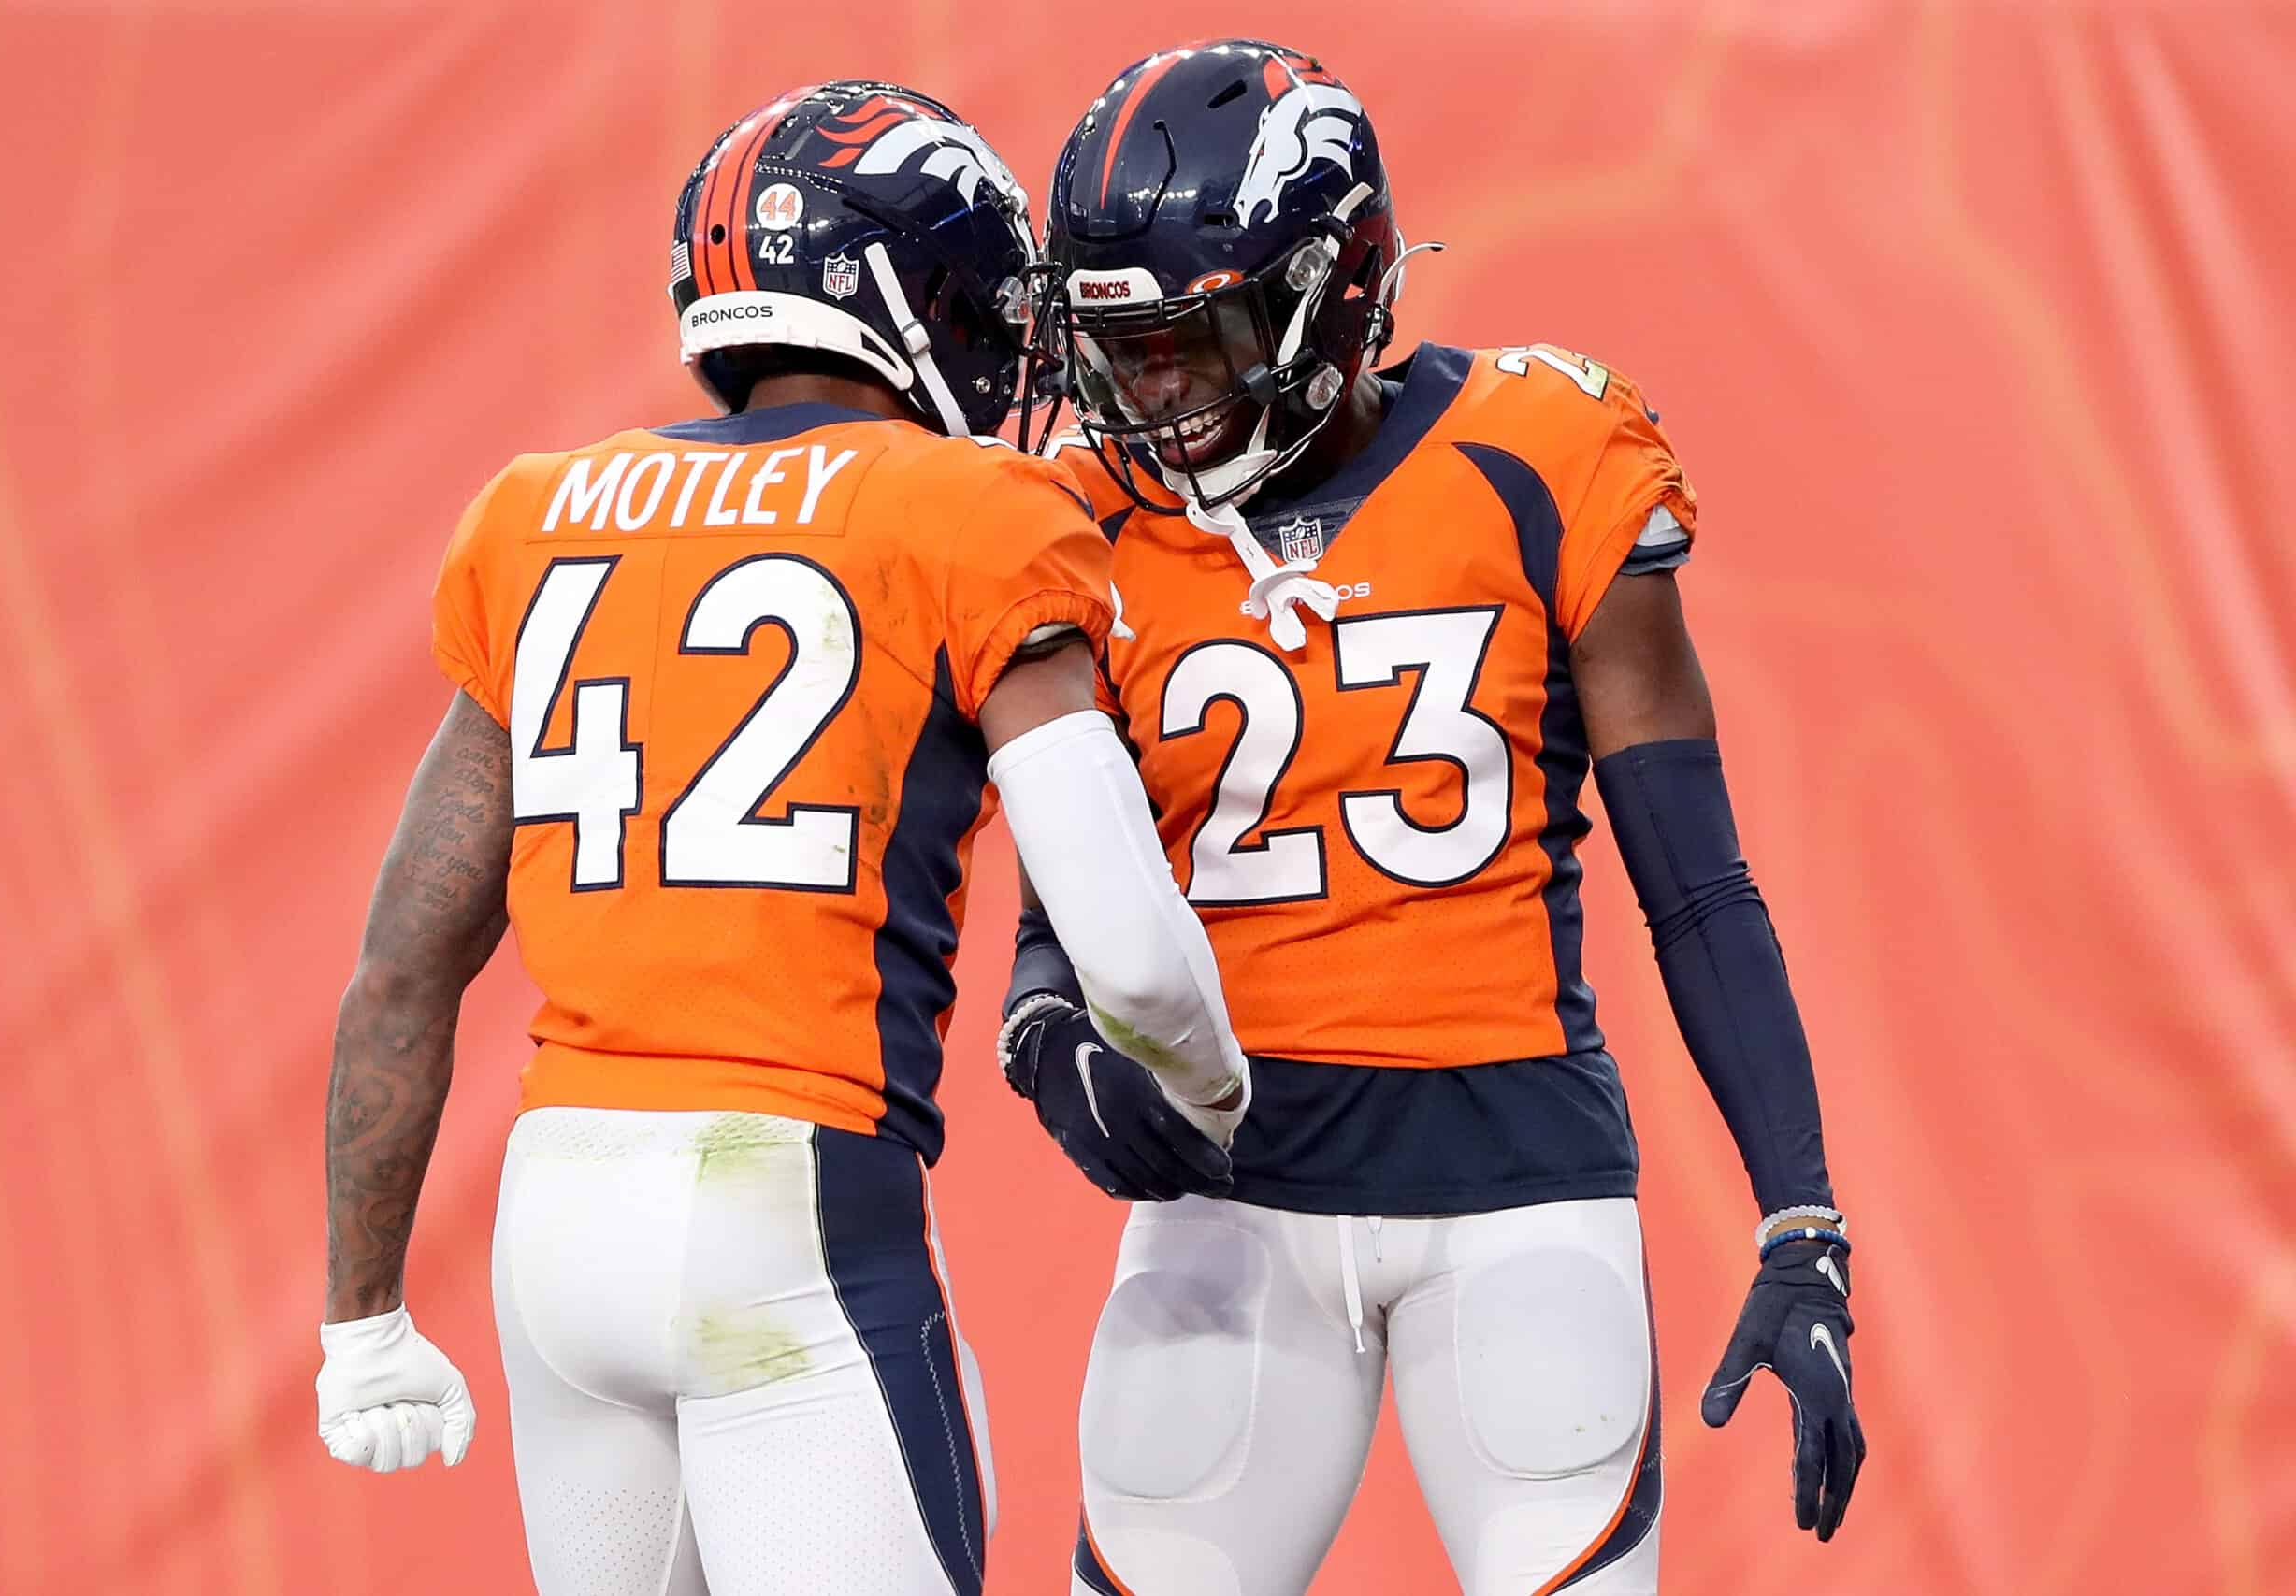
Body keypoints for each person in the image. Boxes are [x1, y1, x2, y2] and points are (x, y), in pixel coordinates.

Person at [312, 79, 1248, 1596]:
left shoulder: (540, 511)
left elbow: (405, 966)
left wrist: (360, 1323)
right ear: (911, 298)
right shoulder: (969, 506)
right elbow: (1135, 965)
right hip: (788, 1205)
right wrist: (1214, 1095)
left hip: (555, 1222)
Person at [1001, 39, 1863, 1595]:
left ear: (1336, 289)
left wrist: (1799, 1217)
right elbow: (1075, 875)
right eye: (1122, 349)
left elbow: (1701, 889)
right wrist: (1043, 1020)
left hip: (1520, 1193)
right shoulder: (1079, 514)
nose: (1154, 392)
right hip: (1228, 1202)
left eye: (1198, 338)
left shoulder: (1542, 453)